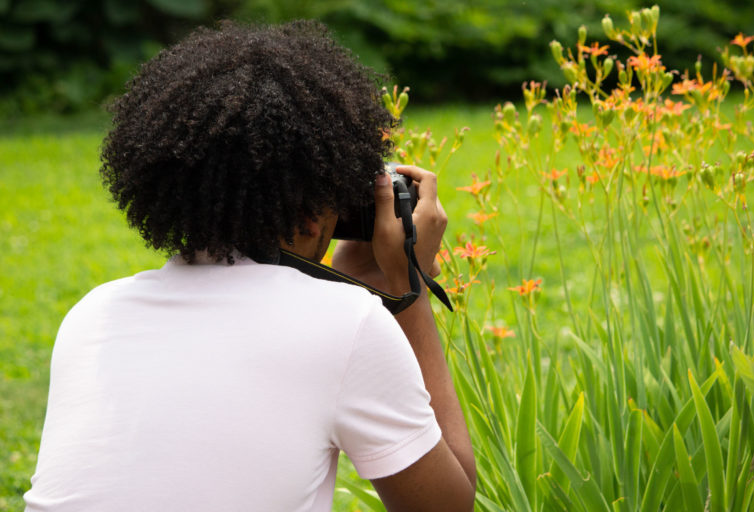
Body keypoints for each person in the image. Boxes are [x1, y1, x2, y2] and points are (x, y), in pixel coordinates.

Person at [24, 20, 475, 512]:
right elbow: (446, 506)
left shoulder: (94, 313)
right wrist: (406, 288)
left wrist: (349, 286)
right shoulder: (348, 323)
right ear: (308, 217)